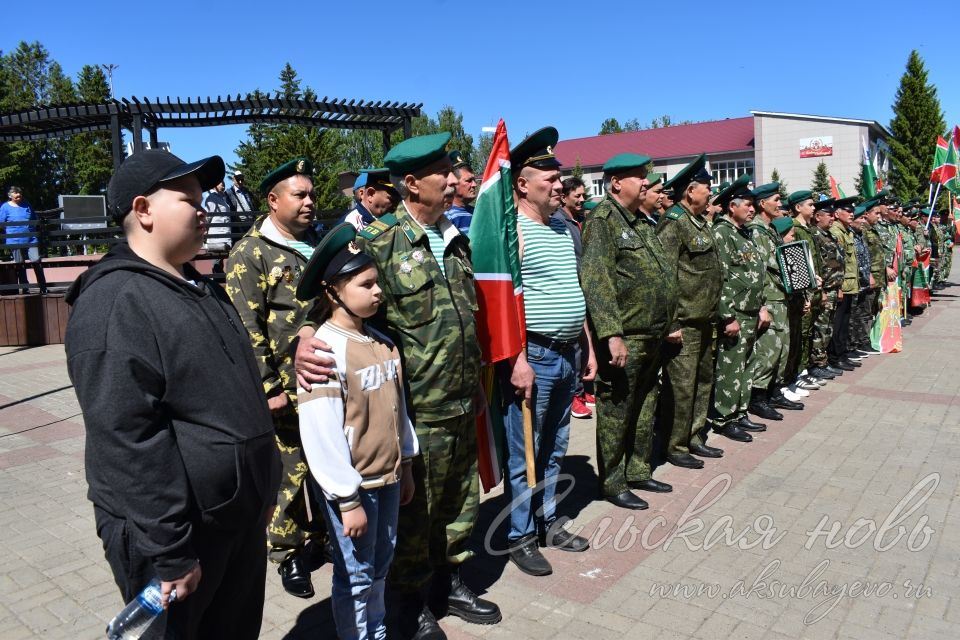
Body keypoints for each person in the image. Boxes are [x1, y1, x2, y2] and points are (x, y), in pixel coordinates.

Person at [64, 150, 281, 639]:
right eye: (188, 199)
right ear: (143, 210)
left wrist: (263, 489)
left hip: (233, 517)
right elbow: (126, 437)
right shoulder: (115, 301)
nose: (204, 210)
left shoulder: (200, 286)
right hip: (178, 537)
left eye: (204, 199)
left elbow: (237, 396)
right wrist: (171, 551)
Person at [297, 133, 500, 639]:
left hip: (458, 398)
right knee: (415, 517)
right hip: (413, 409)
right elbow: (329, 299)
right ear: (412, 183)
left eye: (453, 171)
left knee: (458, 503)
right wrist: (303, 337)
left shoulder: (456, 238)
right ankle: (410, 602)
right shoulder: (380, 240)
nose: (454, 180)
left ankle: (449, 581)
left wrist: (475, 378)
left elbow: (462, 320)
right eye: (443, 174)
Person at [296, 223, 419, 640]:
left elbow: (397, 413)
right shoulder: (323, 353)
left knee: (380, 566)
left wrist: (407, 465)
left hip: (388, 478)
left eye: (377, 282)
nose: (377, 291)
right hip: (355, 489)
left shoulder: (383, 343)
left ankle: (376, 631)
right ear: (333, 292)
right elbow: (322, 433)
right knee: (355, 574)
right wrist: (347, 499)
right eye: (365, 284)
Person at [225, 158, 329, 599]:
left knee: (327, 466)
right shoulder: (249, 254)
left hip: (327, 382)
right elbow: (245, 329)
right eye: (299, 195)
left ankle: (325, 540)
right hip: (286, 389)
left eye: (310, 194)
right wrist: (268, 388)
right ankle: (287, 554)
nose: (309, 202)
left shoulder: (320, 242)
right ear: (272, 200)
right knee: (290, 474)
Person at [497, 127, 595, 576]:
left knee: (556, 444)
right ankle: (519, 535)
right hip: (532, 357)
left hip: (569, 351)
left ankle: (548, 520)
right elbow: (501, 305)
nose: (559, 185)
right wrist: (516, 360)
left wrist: (587, 346)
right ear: (522, 183)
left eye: (559, 177)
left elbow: (576, 290)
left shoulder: (562, 227)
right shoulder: (508, 232)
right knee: (525, 453)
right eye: (549, 177)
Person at [581, 155, 677, 509]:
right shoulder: (603, 220)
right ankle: (612, 481)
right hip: (626, 335)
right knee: (617, 408)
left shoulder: (641, 221)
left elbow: (661, 275)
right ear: (617, 182)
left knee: (645, 402)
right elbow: (597, 280)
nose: (646, 183)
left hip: (651, 333)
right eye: (639, 177)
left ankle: (638, 469)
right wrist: (611, 334)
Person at [655, 155, 723, 469]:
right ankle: (675, 444)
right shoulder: (673, 222)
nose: (711, 193)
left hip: (705, 319)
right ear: (690, 191)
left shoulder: (699, 222)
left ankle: (695, 436)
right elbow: (665, 274)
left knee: (702, 383)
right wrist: (670, 322)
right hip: (684, 322)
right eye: (707, 188)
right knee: (681, 388)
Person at [709, 174, 767, 442]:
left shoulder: (744, 233)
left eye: (754, 204)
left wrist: (762, 307)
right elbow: (720, 278)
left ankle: (740, 412)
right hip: (735, 314)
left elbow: (755, 273)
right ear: (732, 205)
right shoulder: (722, 233)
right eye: (748, 204)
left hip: (751, 311)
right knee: (730, 367)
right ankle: (724, 417)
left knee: (746, 365)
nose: (752, 209)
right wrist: (728, 317)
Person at [745, 183, 803, 420]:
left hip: (781, 297)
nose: (780, 204)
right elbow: (764, 265)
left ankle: (773, 391)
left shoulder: (769, 230)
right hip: (769, 298)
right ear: (763, 204)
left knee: (781, 348)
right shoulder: (757, 230)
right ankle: (759, 397)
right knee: (768, 351)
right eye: (776, 200)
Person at [554, 176, 593, 419]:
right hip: (573, 284)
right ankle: (575, 395)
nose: (581, 199)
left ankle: (584, 388)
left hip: (584, 284)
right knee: (576, 344)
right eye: (576, 195)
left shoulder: (577, 220)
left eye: (583, 195)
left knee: (587, 340)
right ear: (564, 196)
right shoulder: (558, 222)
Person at [808, 198, 847, 379]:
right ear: (817, 217)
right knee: (820, 327)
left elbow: (837, 264)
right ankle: (816, 364)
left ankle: (823, 361)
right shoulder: (814, 235)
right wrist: (822, 291)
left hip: (833, 288)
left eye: (833, 215)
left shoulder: (829, 235)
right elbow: (817, 266)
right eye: (829, 215)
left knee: (828, 327)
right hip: (824, 289)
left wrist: (838, 287)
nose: (832, 218)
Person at [827, 198, 861, 370]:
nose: (852, 214)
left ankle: (842, 353)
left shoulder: (847, 231)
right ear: (838, 213)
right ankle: (835, 356)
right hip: (842, 285)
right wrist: (839, 286)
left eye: (852, 211)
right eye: (848, 211)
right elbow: (837, 263)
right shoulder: (836, 232)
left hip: (850, 284)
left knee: (845, 321)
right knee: (838, 322)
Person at [1, 186, 48, 293]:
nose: (18, 194)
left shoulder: (27, 205)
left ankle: (43, 287)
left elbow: (34, 219)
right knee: (20, 264)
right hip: (14, 241)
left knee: (36, 261)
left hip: (31, 239)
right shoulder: (5, 207)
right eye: (15, 193)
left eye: (20, 192)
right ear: (10, 195)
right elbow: (1, 223)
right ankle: (25, 289)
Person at [443, 150, 477, 235]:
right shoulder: (447, 217)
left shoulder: (476, 212)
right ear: (454, 183)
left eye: (474, 180)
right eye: (469, 181)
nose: (474, 184)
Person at [203, 180, 233, 254]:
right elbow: (207, 216)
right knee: (217, 261)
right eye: (221, 184)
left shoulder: (222, 198)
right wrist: (205, 230)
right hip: (217, 237)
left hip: (225, 235)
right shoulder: (212, 198)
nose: (223, 186)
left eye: (224, 184)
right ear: (214, 186)